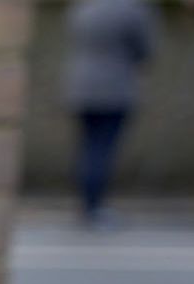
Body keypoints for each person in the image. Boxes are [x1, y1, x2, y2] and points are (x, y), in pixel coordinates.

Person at [63, 0, 157, 228]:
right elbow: (146, 50)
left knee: (88, 147)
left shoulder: (82, 7)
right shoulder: (134, 9)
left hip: (79, 84)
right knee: (102, 149)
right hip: (115, 86)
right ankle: (94, 207)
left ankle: (87, 204)